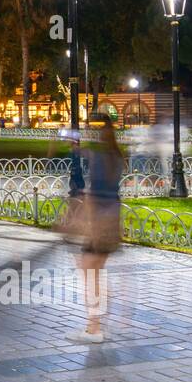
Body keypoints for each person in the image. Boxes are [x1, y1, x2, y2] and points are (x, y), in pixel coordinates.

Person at [68, 114, 123, 344]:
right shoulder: (117, 156)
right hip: (113, 220)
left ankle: (94, 328)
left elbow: (95, 192)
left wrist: (82, 220)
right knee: (96, 272)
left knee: (89, 273)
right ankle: (98, 323)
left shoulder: (99, 157)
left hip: (98, 222)